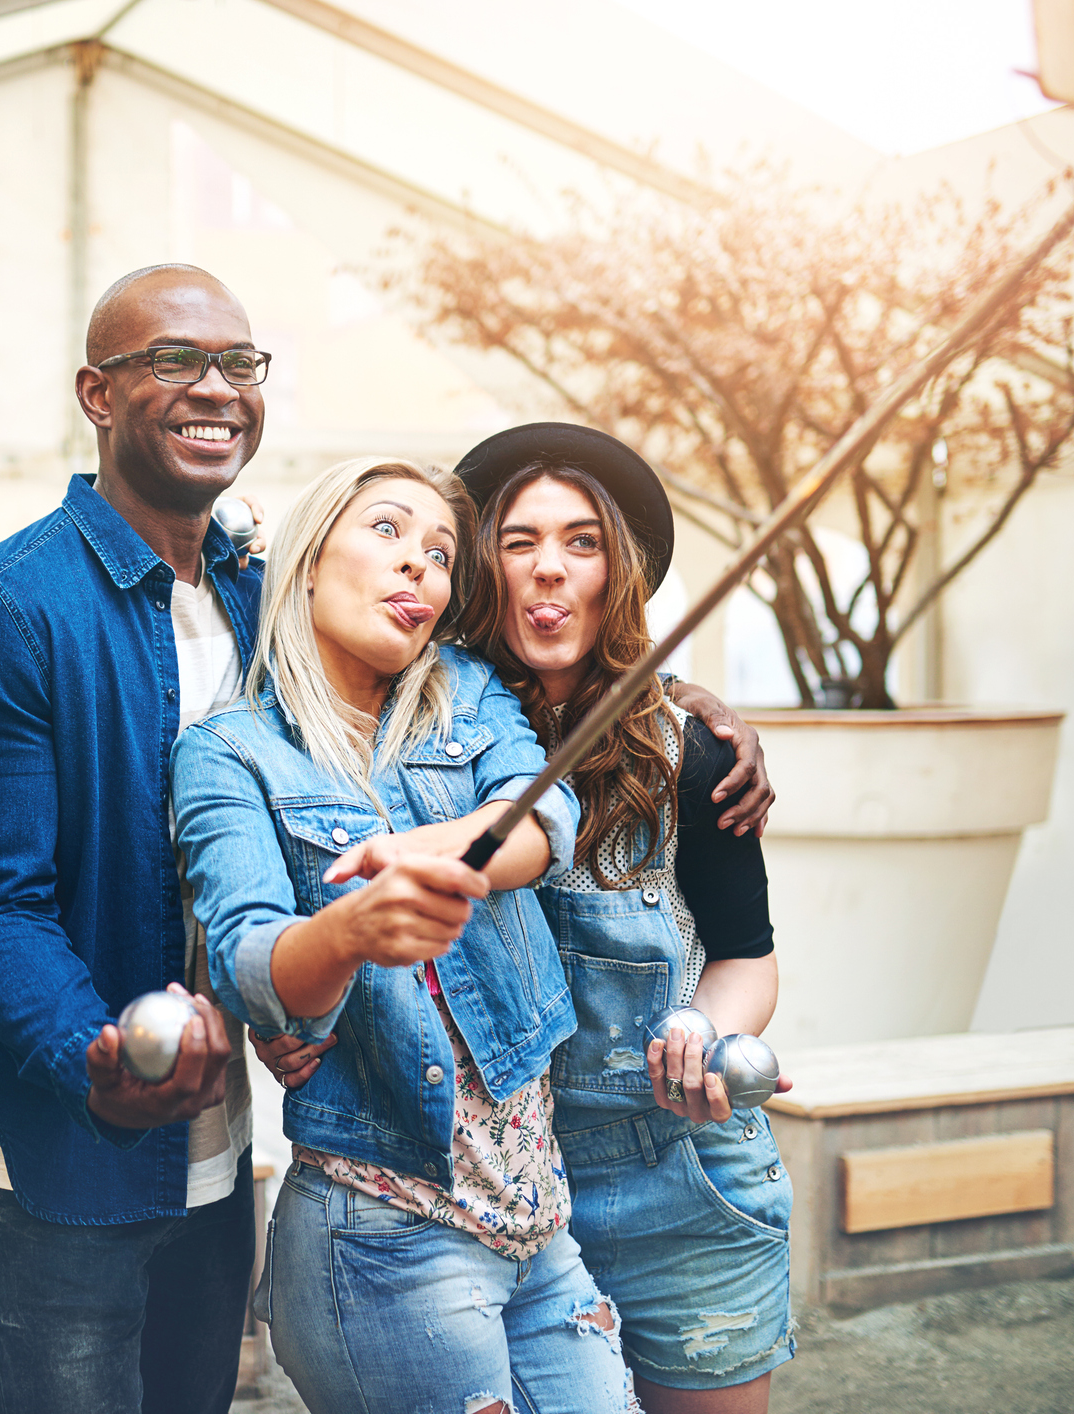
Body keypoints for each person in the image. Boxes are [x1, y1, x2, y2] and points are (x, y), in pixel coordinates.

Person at [174, 454, 636, 1414]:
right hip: (381, 1239)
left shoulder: (463, 689)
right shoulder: (227, 754)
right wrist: (346, 931)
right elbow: (251, 963)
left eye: (437, 552)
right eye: (386, 531)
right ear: (304, 561)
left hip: (536, 1221)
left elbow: (537, 818)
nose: (418, 566)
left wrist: (430, 852)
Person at [0, 264, 264, 1413]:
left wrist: (694, 715)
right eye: (173, 359)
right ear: (97, 394)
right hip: (56, 1158)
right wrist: (93, 1064)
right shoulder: (3, 612)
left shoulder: (262, 599)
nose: (214, 387)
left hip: (219, 1146)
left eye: (238, 363)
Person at [455, 423, 794, 1412]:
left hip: (683, 1175)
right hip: (497, 1191)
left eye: (580, 541)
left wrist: (708, 1028)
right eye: (517, 541)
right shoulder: (437, 738)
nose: (547, 570)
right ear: (482, 567)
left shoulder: (691, 751)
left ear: (619, 569)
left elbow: (744, 955)